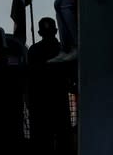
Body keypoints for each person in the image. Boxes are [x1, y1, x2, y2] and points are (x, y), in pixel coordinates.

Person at [28, 18, 71, 154]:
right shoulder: (63, 50)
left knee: (42, 143)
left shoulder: (33, 50)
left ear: (39, 32)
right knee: (63, 140)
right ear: (56, 31)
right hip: (60, 102)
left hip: (39, 104)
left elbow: (29, 77)